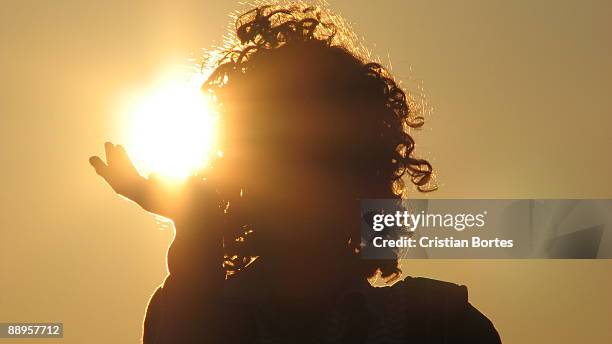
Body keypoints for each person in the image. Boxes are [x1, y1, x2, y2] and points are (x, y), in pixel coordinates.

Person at [90, 4, 501, 343]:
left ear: (368, 173)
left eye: (329, 154)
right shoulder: (199, 313)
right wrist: (196, 228)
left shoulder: (438, 324)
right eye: (280, 151)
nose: (304, 183)